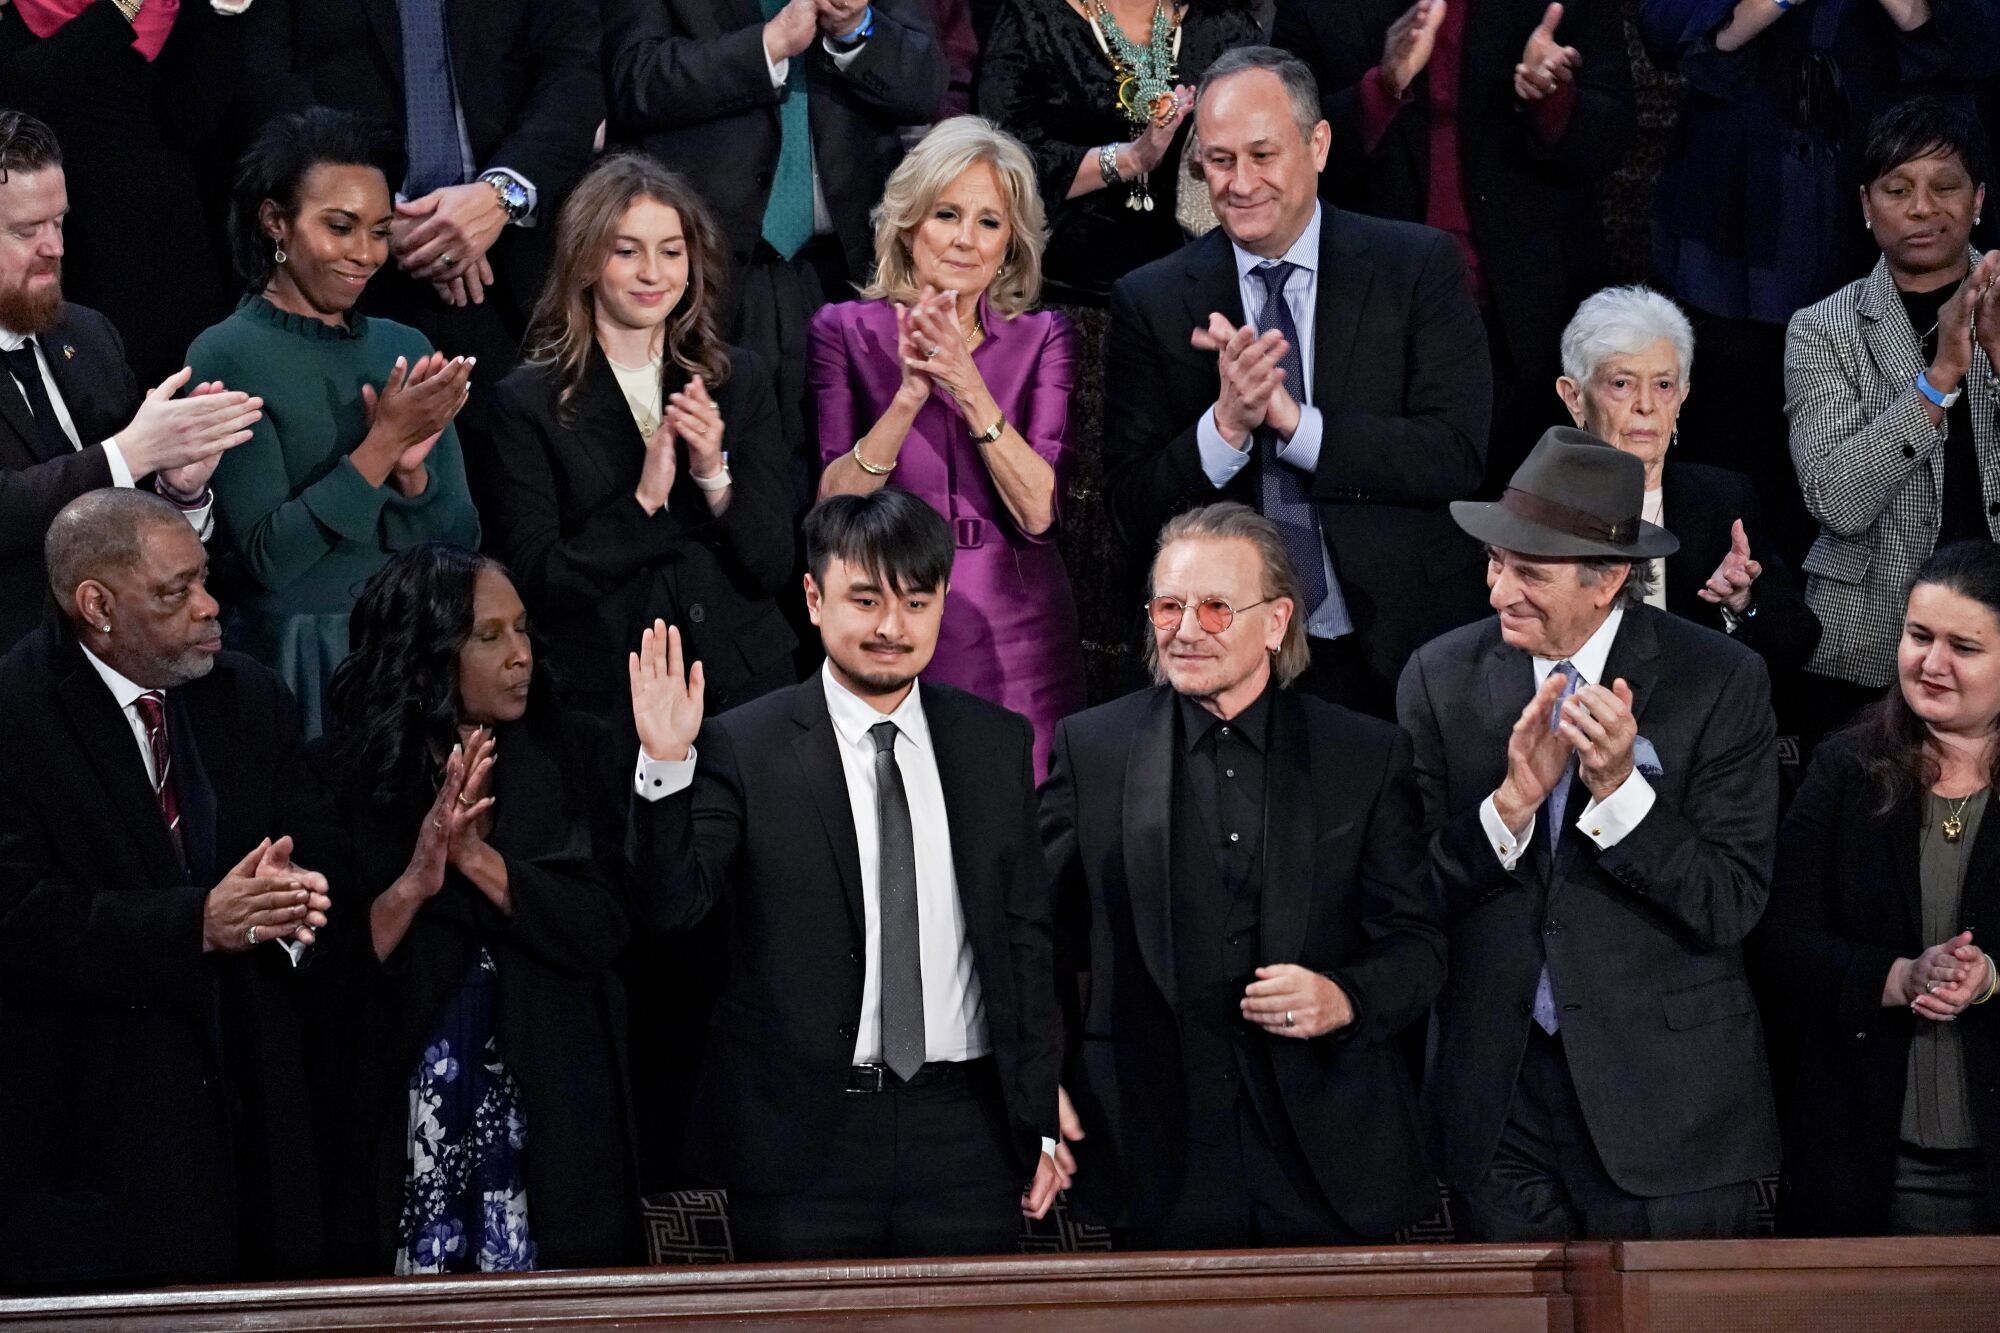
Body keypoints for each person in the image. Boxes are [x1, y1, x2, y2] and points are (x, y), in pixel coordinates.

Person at [625, 488, 1062, 1259]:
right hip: (801, 1136)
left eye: (916, 602)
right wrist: (665, 764)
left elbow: (1025, 941)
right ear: (813, 598)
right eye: (866, 599)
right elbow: (670, 908)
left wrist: (1038, 1117)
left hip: (966, 1132)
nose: (892, 627)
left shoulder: (995, 744)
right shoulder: (745, 744)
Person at [1397, 427, 1781, 1240]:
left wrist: (1619, 793)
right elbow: (1407, 895)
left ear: (1608, 579)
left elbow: (1731, 902)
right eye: (1496, 561)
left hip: (1672, 1112)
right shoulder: (1438, 678)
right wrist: (1507, 808)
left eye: (1529, 572)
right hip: (1497, 1108)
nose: (1501, 590)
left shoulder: (1719, 680)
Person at [1042, 502, 1443, 1249]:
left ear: (1277, 619)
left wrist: (1344, 995)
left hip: (1329, 1157)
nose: (1187, 629)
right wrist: (1038, 1079)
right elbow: (1033, 936)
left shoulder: (1364, 753)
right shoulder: (1091, 749)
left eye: (1217, 608)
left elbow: (1418, 946)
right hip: (1153, 1154)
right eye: (1169, 605)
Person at [0, 489, 341, 1288]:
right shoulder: (14, 717)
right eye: (174, 591)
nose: (210, 606)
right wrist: (197, 923)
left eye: (204, 578)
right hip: (101, 1131)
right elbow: (18, 918)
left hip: (256, 1110)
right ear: (97, 605)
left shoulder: (247, 694)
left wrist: (294, 896)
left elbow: (317, 841)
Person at [1103, 45, 1492, 718]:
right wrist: (1224, 428)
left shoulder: (1415, 266)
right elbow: (1129, 506)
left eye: (1262, 155)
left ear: (1317, 144)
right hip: (1235, 663)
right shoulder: (1155, 299)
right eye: (1219, 160)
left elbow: (1454, 454)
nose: (1240, 182)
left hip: (1397, 652)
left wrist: (1297, 425)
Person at [312, 545, 639, 1274]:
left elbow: (606, 927)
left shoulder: (576, 749)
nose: (520, 655)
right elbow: (324, 972)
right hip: (401, 1104)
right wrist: (418, 879)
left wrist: (480, 862)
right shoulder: (339, 775)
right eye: (490, 636)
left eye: (523, 630)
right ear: (426, 652)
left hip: (550, 1104)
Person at [1640, 0, 2000, 569]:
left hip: (1899, 175)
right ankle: (1746, 610)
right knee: (1734, 431)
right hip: (1742, 216)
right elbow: (1663, 29)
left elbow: (1979, 40)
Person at [188, 108, 480, 737]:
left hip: (415, 657)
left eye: (379, 231)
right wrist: (382, 447)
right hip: (304, 670)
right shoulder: (224, 354)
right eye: (341, 227)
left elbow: (459, 541)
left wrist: (410, 479)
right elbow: (271, 558)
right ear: (276, 222)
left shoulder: (400, 343)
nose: (366, 255)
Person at [1272, 0, 1635, 492]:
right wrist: (1384, 86)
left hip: (1531, 318)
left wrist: (1550, 98)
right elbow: (1284, 152)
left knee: (1532, 525)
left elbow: (1611, 138)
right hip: (1377, 315)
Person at [239, 0, 604, 489]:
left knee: (529, 504)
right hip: (342, 284)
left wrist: (500, 197)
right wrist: (378, 217)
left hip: (516, 270)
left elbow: (573, 74)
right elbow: (263, 79)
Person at [813, 117, 1083, 777]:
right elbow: (830, 511)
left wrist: (968, 385)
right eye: (947, 214)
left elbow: (1040, 511)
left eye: (989, 223)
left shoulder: (1045, 335)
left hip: (1020, 633)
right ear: (909, 222)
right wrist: (907, 398)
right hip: (888, 620)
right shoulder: (845, 330)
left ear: (1010, 244)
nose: (965, 239)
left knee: (1023, 834)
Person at [490, 154, 797, 731]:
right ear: (585, 260)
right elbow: (538, 582)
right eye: (627, 251)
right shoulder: (526, 402)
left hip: (748, 690)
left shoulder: (738, 378)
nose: (653, 273)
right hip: (612, 703)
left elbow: (773, 564)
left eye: (671, 251)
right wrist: (642, 506)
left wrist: (712, 475)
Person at [1755, 540, 2000, 1237]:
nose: (1932, 663)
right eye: (1919, 636)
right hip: (1864, 1163)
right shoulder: (1843, 769)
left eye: (1965, 646)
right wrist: (1896, 976)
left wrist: (1988, 977)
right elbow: (1777, 942)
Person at [601, 0, 948, 463]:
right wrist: (769, 45)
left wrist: (855, 30)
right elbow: (634, 80)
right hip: (708, 271)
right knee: (721, 476)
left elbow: (924, 85)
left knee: (852, 478)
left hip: (849, 269)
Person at [0, 108, 263, 651]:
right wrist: (128, 453)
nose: (56, 247)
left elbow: (139, 521)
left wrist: (179, 490)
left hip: (133, 648)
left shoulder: (89, 334)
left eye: (59, 221)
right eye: (28, 230)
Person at [1787, 98, 2000, 743]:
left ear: (1978, 199)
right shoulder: (1823, 327)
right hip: (1869, 640)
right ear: (1865, 204)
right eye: (1898, 188)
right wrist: (1937, 382)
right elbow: (1834, 499)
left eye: (1945, 187)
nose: (1922, 208)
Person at [1555, 286, 1821, 684]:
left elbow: (1796, 643)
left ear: (1682, 397)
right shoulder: (1541, 504)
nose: (1646, 404)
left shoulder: (1721, 499)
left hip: (1693, 728)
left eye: (1663, 385)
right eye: (1622, 384)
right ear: (1575, 397)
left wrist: (1741, 599)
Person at [0, 0, 246, 385]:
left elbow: (190, 120)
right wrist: (121, 9)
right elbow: (23, 92)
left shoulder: (167, 7)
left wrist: (225, 13)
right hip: (58, 226)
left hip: (161, 223)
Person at [976, 0, 1261, 307]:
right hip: (1056, 292)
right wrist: (1132, 158)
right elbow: (1002, 163)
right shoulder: (1032, 16)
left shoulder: (1229, 28)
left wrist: (1218, 154)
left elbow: (1267, 147)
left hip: (1188, 296)